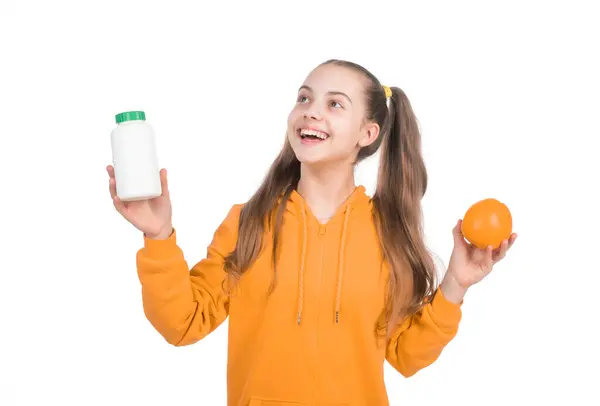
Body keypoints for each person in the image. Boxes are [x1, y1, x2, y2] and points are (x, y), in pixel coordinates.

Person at [107, 59, 517, 406]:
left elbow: (407, 355)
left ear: (367, 133)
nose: (311, 111)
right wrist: (159, 236)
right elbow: (183, 322)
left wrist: (455, 285)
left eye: (334, 104)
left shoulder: (389, 235)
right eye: (304, 98)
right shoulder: (247, 222)